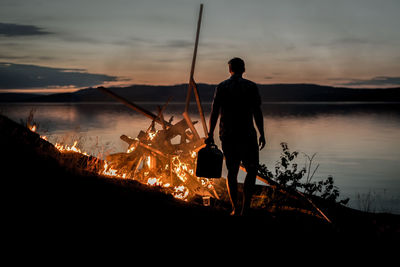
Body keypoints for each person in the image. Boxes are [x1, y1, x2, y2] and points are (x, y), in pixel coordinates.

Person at [205, 57, 266, 216]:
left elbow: (214, 112)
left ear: (229, 70)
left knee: (232, 172)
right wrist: (262, 133)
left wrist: (210, 134)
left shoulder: (222, 87)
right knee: (251, 170)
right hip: (247, 134)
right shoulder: (251, 87)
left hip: (228, 134)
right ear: (243, 69)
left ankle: (235, 208)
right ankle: (245, 209)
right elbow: (257, 112)